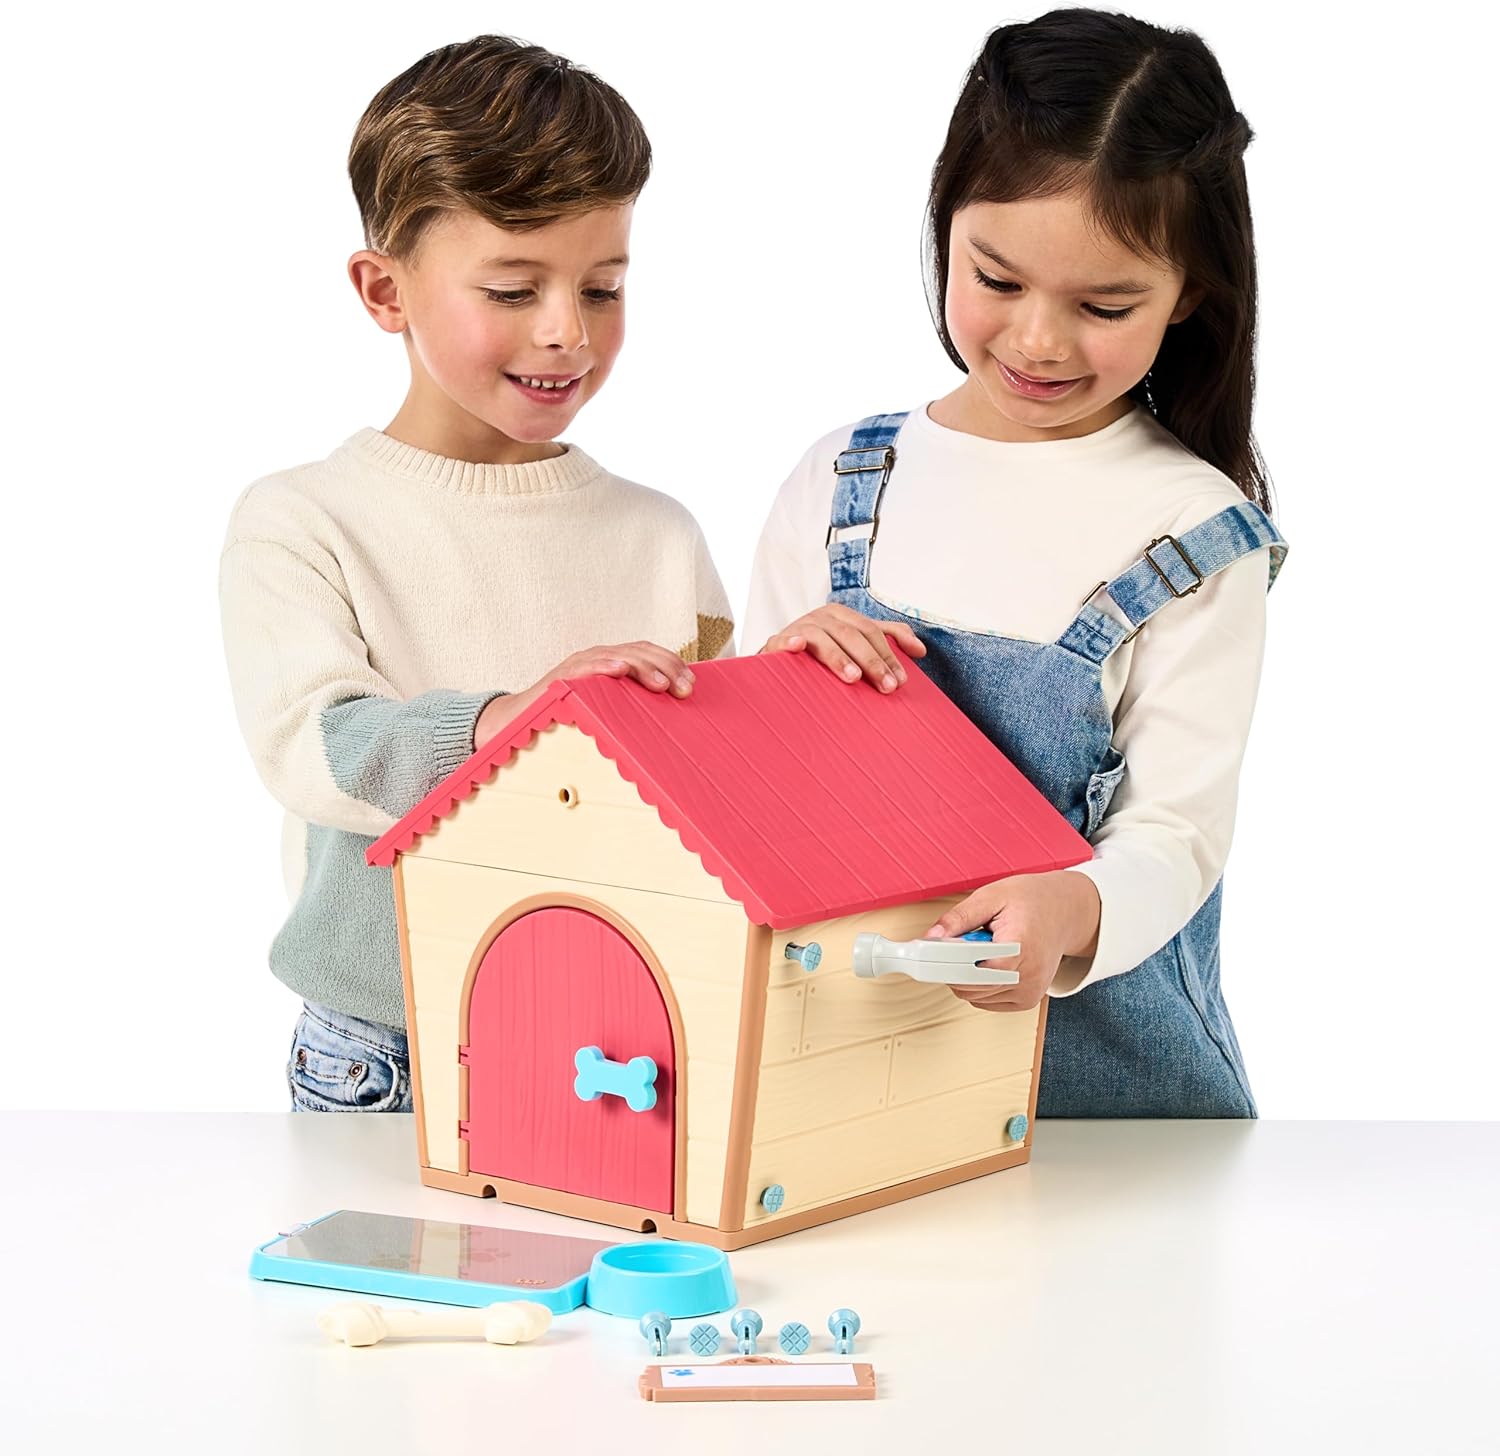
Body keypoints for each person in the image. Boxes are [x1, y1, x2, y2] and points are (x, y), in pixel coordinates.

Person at [743, 7, 1288, 1117]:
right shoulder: (841, 482)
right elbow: (753, 812)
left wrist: (1071, 911)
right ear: (943, 229)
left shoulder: (1193, 529)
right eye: (996, 280)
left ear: (1189, 292)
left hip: (1109, 1111)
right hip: (855, 1091)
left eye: (1104, 305)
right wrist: (769, 688)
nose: (1039, 340)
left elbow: (1177, 835)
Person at [220, 36, 733, 1112]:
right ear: (384, 290)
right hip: (394, 1043)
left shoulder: (659, 535)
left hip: (619, 1040)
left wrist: (796, 679)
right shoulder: (303, 521)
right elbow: (316, 748)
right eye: (511, 288)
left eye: (603, 288)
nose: (566, 332)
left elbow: (714, 791)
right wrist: (513, 722)